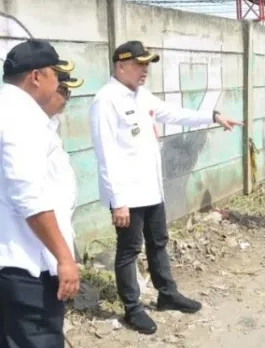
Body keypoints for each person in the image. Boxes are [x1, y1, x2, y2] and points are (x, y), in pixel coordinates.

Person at [88, 40, 242, 335]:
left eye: (147, 64)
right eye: (139, 64)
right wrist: (117, 200)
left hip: (151, 189)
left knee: (158, 241)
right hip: (127, 195)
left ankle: (167, 294)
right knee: (129, 250)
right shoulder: (106, 100)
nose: (145, 70)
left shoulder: (141, 95)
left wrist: (211, 116)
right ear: (121, 65)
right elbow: (105, 154)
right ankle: (132, 309)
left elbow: (172, 114)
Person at [0, 39, 82, 348]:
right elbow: (29, 196)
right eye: (56, 75)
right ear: (36, 76)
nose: (60, 83)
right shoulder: (23, 117)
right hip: (26, 266)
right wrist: (64, 258)